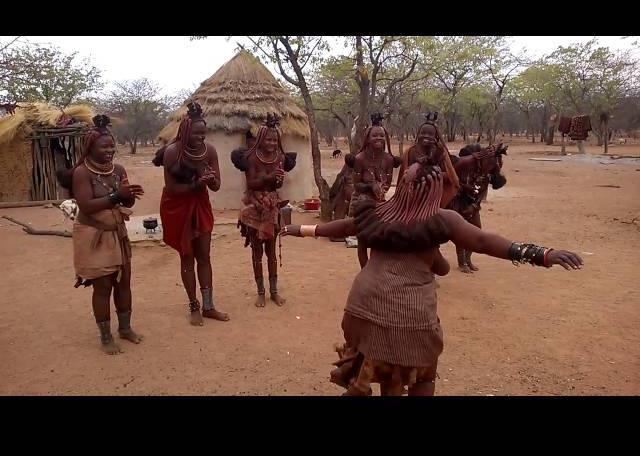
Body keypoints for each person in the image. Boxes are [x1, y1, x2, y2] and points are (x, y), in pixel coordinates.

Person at [281, 161, 583, 396]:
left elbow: (344, 227)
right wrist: (540, 254)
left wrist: (302, 230)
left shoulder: (380, 211)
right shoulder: (443, 219)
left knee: (378, 363)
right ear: (436, 188)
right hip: (406, 315)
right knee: (423, 373)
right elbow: (482, 242)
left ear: (404, 185)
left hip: (360, 308)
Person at [56, 115, 145, 355]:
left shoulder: (119, 169)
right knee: (103, 286)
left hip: (117, 233)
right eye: (104, 147)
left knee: (123, 283)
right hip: (93, 236)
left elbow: (125, 199)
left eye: (112, 147)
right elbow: (86, 206)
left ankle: (125, 329)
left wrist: (129, 194)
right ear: (90, 148)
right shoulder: (82, 173)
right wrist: (118, 196)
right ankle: (106, 336)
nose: (110, 151)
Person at [154, 101, 229, 325]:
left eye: (203, 133)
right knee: (187, 256)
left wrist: (210, 179)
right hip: (177, 207)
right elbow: (173, 189)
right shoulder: (172, 152)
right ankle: (194, 306)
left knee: (204, 256)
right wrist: (198, 183)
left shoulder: (210, 151)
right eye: (196, 133)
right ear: (186, 132)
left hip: (200, 205)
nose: (201, 137)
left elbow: (216, 186)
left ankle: (208, 306)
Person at [232, 114, 297, 308]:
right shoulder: (251, 157)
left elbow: (277, 184)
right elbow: (251, 183)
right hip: (254, 205)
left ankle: (274, 292)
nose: (272, 142)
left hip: (271, 206)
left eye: (275, 139)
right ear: (260, 139)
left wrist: (278, 178)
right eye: (268, 139)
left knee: (271, 251)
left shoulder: (280, 157)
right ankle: (261, 292)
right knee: (257, 251)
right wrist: (269, 177)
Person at [346, 112, 400, 267]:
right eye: (375, 136)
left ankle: (377, 271)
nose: (379, 139)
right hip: (362, 204)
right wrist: (371, 186)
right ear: (367, 138)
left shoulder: (388, 159)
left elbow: (388, 182)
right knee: (363, 240)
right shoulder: (360, 159)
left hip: (380, 203)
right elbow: (356, 185)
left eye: (382, 136)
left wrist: (381, 189)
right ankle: (365, 271)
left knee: (380, 238)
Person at [448, 143, 508, 273]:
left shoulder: (487, 173)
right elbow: (452, 181)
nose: (494, 167)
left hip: (473, 205)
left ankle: (468, 260)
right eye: (492, 164)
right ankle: (462, 262)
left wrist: (475, 206)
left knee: (476, 231)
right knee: (461, 233)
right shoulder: (465, 166)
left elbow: (483, 191)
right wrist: (464, 188)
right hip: (458, 202)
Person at [396, 112, 459, 208]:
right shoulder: (410, 151)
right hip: (412, 195)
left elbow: (450, 177)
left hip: (435, 197)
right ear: (418, 134)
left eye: (430, 134)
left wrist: (431, 174)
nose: (426, 136)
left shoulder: (440, 152)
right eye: (423, 133)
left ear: (435, 137)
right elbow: (403, 176)